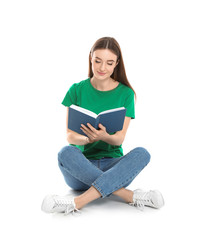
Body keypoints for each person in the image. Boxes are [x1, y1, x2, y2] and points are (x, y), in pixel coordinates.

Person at [41, 37, 164, 215]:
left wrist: (103, 136)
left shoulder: (126, 94)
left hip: (114, 166)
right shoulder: (76, 90)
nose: (102, 68)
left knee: (142, 153)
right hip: (80, 169)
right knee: (65, 152)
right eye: (97, 61)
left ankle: (77, 202)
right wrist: (86, 138)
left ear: (117, 64)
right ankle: (129, 196)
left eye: (109, 63)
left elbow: (119, 139)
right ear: (90, 57)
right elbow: (69, 135)